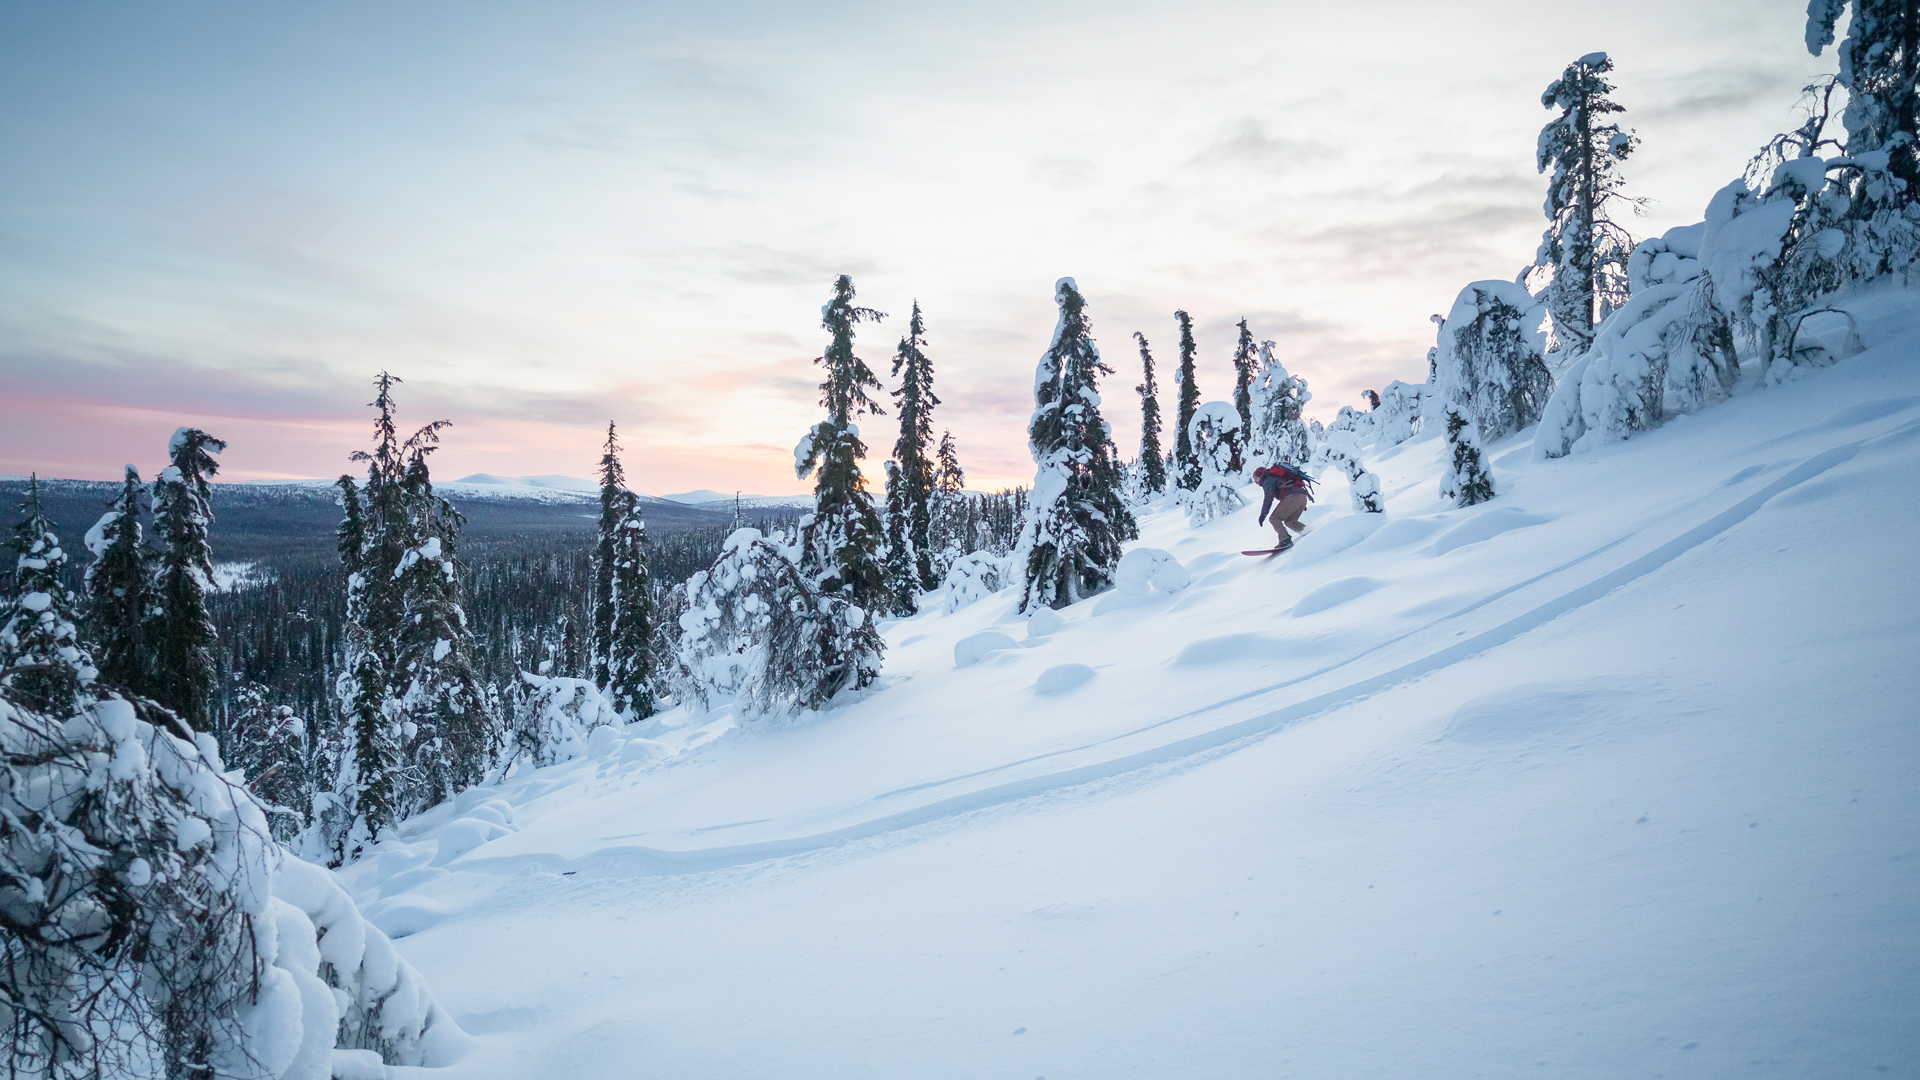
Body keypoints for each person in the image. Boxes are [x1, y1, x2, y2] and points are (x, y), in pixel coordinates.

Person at [1253, 463, 1313, 551]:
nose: (1255, 481)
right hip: (1302, 497)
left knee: (1274, 518)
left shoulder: (1267, 480)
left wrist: (1263, 515)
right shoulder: (1273, 477)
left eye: (1255, 478)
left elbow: (1268, 499)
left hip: (1293, 497)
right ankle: (1309, 532)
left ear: (1260, 475)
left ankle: (1285, 540)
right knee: (1289, 521)